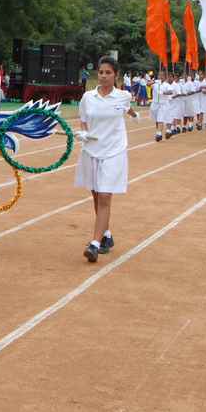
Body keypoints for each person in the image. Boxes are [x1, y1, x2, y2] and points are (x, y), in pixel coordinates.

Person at [75, 56, 138, 262]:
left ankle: (94, 244)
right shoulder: (88, 97)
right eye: (101, 72)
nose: (103, 76)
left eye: (108, 72)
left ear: (116, 75)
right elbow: (83, 120)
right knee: (96, 195)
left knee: (104, 196)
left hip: (114, 151)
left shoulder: (123, 96)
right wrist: (84, 133)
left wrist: (135, 116)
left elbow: (128, 109)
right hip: (91, 151)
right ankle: (106, 235)